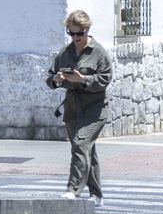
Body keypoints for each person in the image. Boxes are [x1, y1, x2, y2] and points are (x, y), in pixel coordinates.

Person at [45, 10, 113, 202]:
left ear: (87, 30)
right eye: (71, 33)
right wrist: (57, 79)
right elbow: (49, 77)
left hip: (95, 107)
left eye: (79, 34)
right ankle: (96, 194)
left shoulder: (98, 52)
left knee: (80, 143)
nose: (75, 37)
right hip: (73, 107)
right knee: (86, 148)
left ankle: (73, 190)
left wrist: (84, 79)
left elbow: (105, 78)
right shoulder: (64, 53)